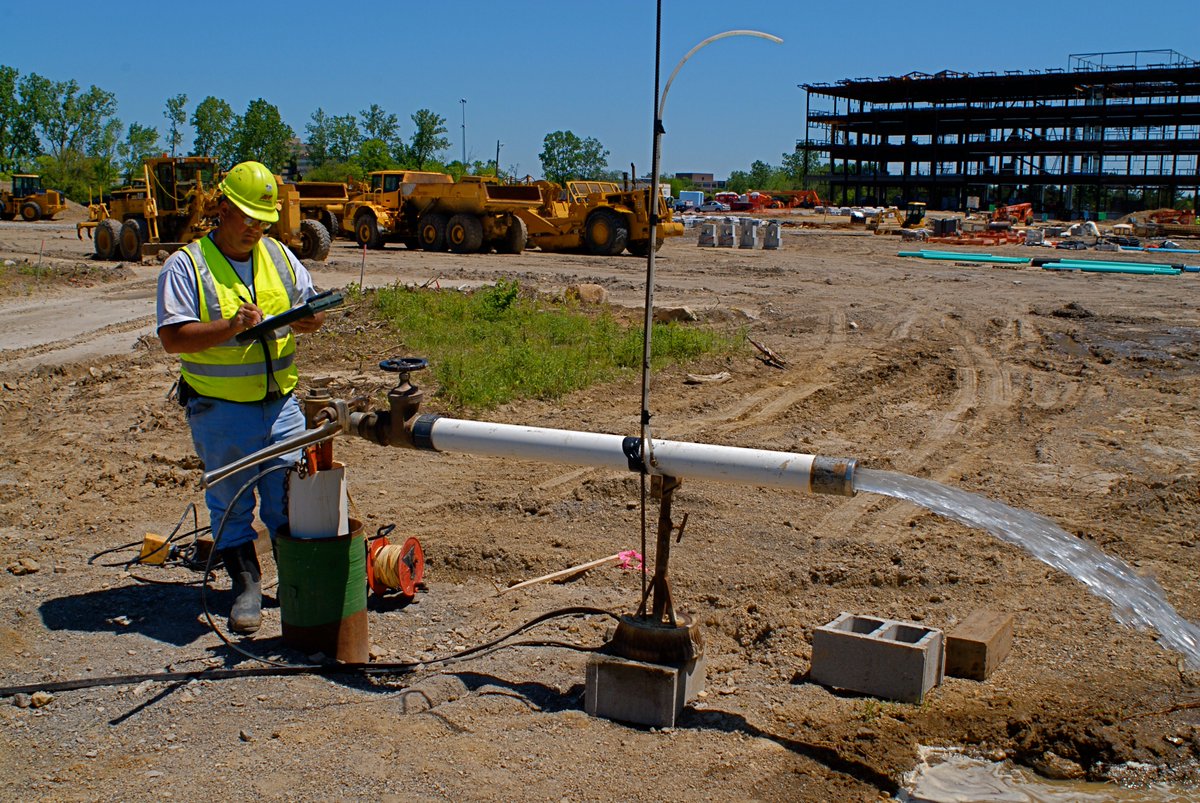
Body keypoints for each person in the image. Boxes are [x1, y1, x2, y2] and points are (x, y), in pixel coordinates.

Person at [156, 160, 326, 634]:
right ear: (223, 209)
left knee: (289, 497)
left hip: (281, 404)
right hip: (221, 410)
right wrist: (230, 328)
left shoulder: (277, 257)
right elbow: (173, 338)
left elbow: (308, 305)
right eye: (247, 217)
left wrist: (311, 318)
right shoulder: (187, 265)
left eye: (262, 221)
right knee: (230, 501)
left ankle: (295, 584)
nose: (255, 228)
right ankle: (245, 587)